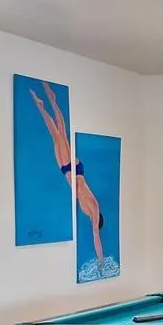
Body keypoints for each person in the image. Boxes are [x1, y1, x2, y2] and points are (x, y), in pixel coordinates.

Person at [30, 83, 106, 268]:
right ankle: (53, 101)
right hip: (74, 170)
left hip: (68, 170)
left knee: (55, 135)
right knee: (61, 134)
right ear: (98, 218)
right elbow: (96, 234)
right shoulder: (94, 207)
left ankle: (41, 106)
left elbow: (94, 228)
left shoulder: (87, 210)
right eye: (96, 221)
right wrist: (101, 260)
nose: (93, 221)